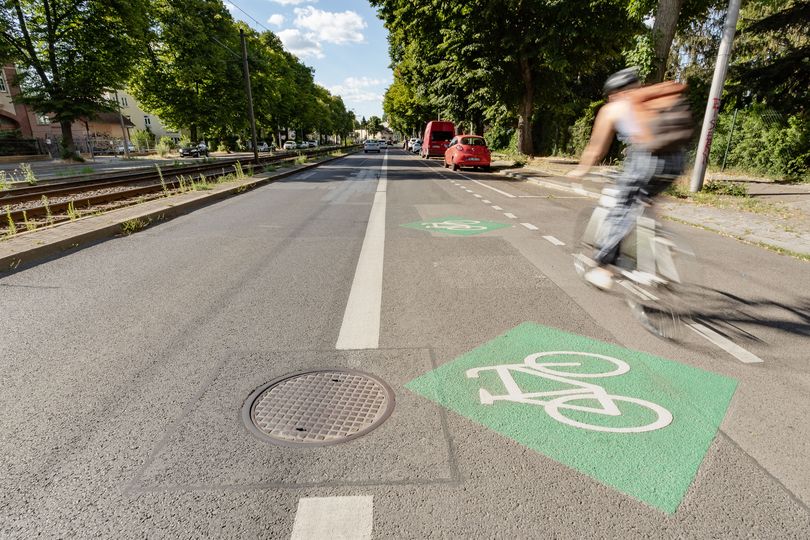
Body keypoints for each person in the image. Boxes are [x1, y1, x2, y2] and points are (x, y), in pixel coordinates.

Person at [567, 67, 685, 290]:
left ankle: (604, 268)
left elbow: (595, 150)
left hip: (646, 159)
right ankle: (662, 242)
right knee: (648, 201)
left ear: (614, 92)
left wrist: (580, 171)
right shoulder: (653, 101)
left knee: (621, 210)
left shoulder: (614, 108)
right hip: (676, 160)